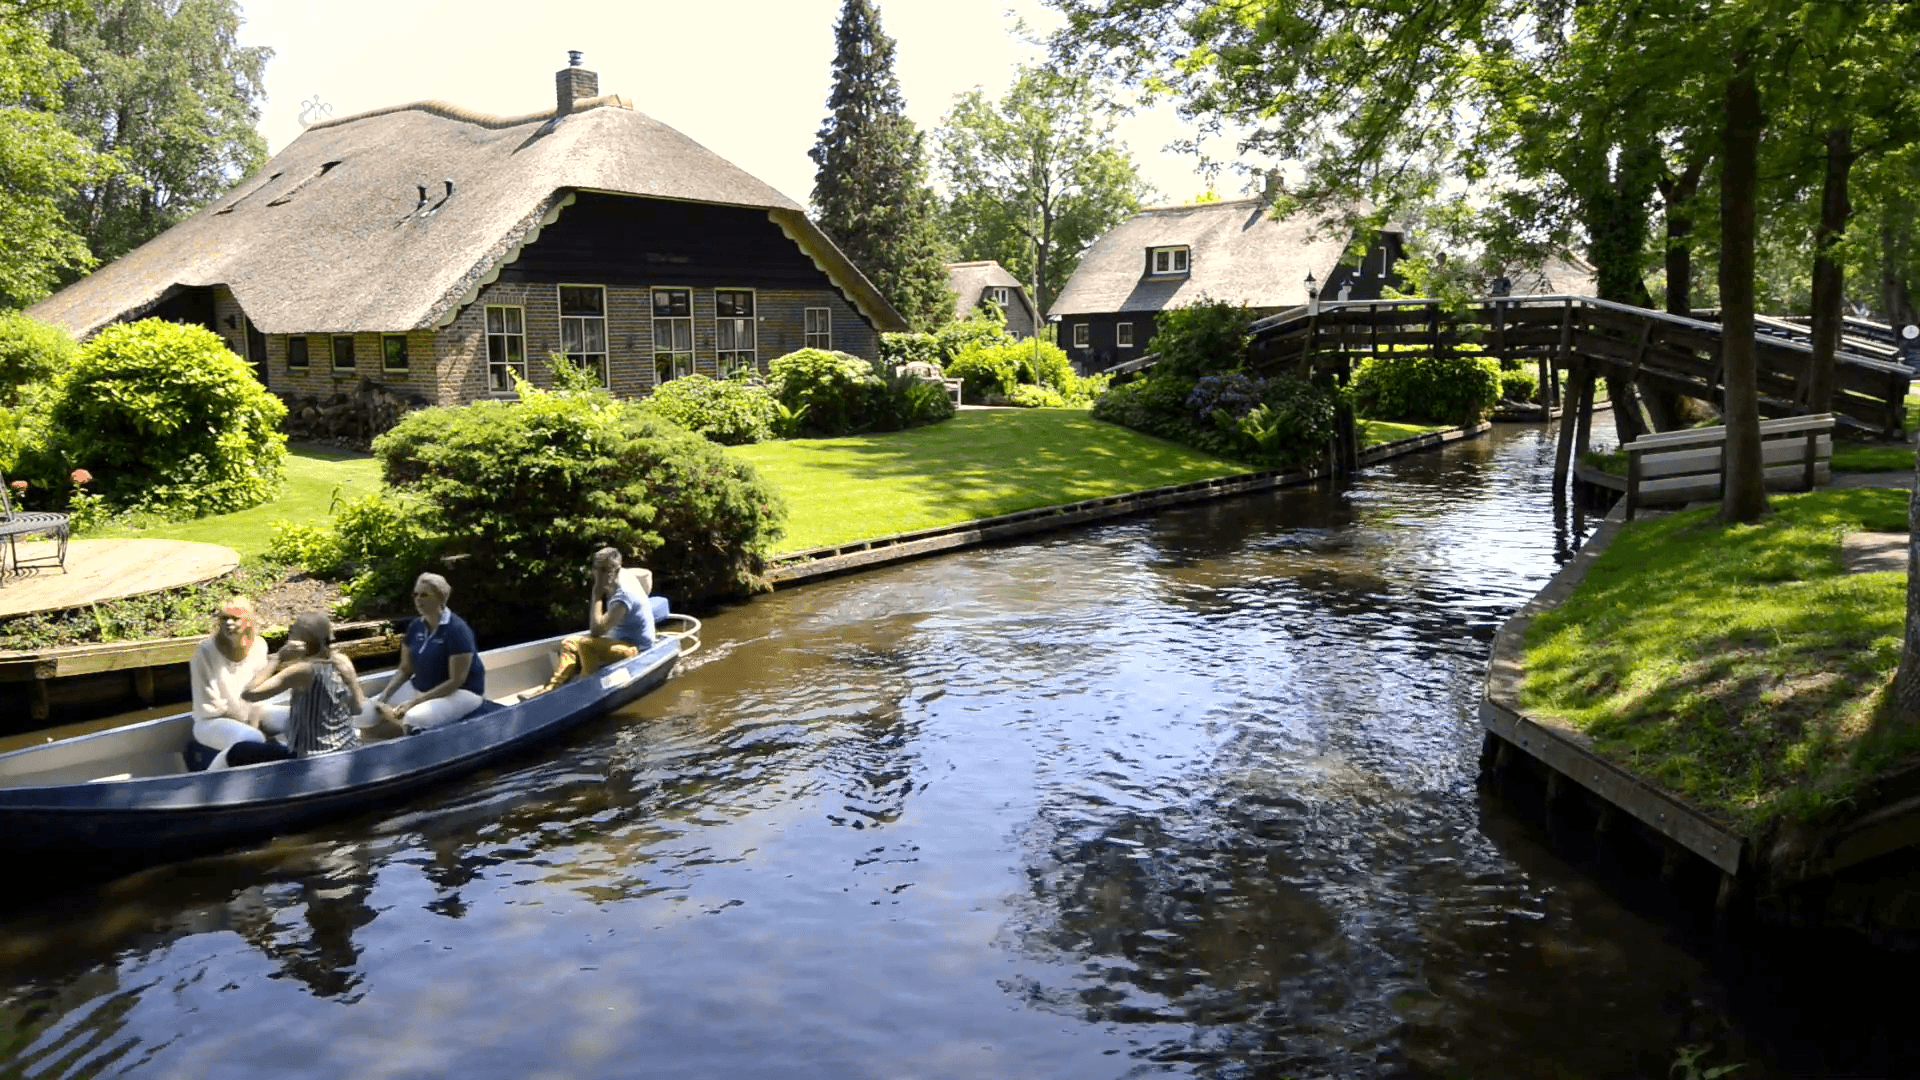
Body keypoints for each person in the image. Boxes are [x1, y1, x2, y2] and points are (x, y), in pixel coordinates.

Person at [524, 548, 655, 699]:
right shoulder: (626, 572)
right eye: (598, 570)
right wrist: (644, 598)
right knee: (569, 643)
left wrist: (597, 594)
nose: (600, 576)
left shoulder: (623, 596)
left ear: (616, 569)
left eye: (605, 571)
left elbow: (596, 631)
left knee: (586, 644)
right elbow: (647, 574)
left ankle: (585, 687)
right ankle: (552, 687)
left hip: (634, 647)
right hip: (615, 639)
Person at [242, 612, 372, 759]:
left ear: (303, 641)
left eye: (292, 630)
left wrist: (277, 658)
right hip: (346, 747)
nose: (288, 633)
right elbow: (357, 709)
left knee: (237, 750)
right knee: (258, 711)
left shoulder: (303, 671)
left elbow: (248, 694)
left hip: (311, 758)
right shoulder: (343, 661)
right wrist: (351, 682)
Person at [375, 572, 486, 733]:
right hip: (422, 687)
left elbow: (456, 681)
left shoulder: (457, 630)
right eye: (416, 594)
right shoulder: (415, 627)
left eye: (425, 595)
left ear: (440, 598)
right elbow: (405, 669)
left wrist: (414, 703)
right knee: (370, 709)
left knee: (413, 718)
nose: (418, 599)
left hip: (462, 692)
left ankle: (411, 749)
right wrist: (384, 695)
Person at [189, 596, 291, 770]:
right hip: (213, 720)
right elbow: (211, 705)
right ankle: (210, 776)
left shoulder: (259, 646)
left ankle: (303, 761)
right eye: (223, 618)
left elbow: (257, 690)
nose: (228, 623)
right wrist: (250, 721)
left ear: (248, 621)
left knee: (300, 717)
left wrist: (254, 716)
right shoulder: (205, 652)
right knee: (253, 739)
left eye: (235, 618)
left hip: (251, 712)